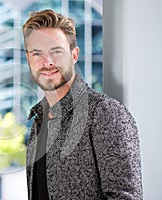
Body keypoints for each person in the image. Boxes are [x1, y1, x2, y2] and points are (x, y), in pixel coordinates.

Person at [22, 9, 143, 199]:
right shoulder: (38, 121)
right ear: (28, 58)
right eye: (37, 53)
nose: (48, 62)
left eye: (56, 51)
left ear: (74, 55)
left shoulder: (104, 113)